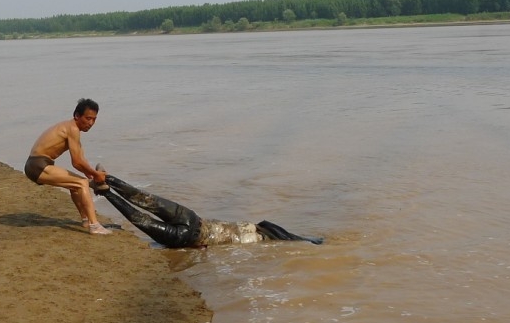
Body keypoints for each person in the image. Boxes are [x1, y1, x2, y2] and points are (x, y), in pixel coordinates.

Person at [91, 171, 323, 248]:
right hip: (187, 237)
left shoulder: (251, 227)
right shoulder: (254, 241)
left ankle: (108, 179)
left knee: (145, 199)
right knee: (138, 217)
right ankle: (105, 191)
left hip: (193, 219)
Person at [25, 98, 111, 235]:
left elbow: (81, 160)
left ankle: (85, 221)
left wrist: (92, 175)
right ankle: (94, 225)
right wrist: (95, 176)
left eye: (94, 119)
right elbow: (76, 162)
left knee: (75, 185)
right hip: (37, 165)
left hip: (39, 164)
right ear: (77, 116)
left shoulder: (73, 130)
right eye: (88, 118)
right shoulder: (72, 128)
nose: (91, 123)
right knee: (81, 183)